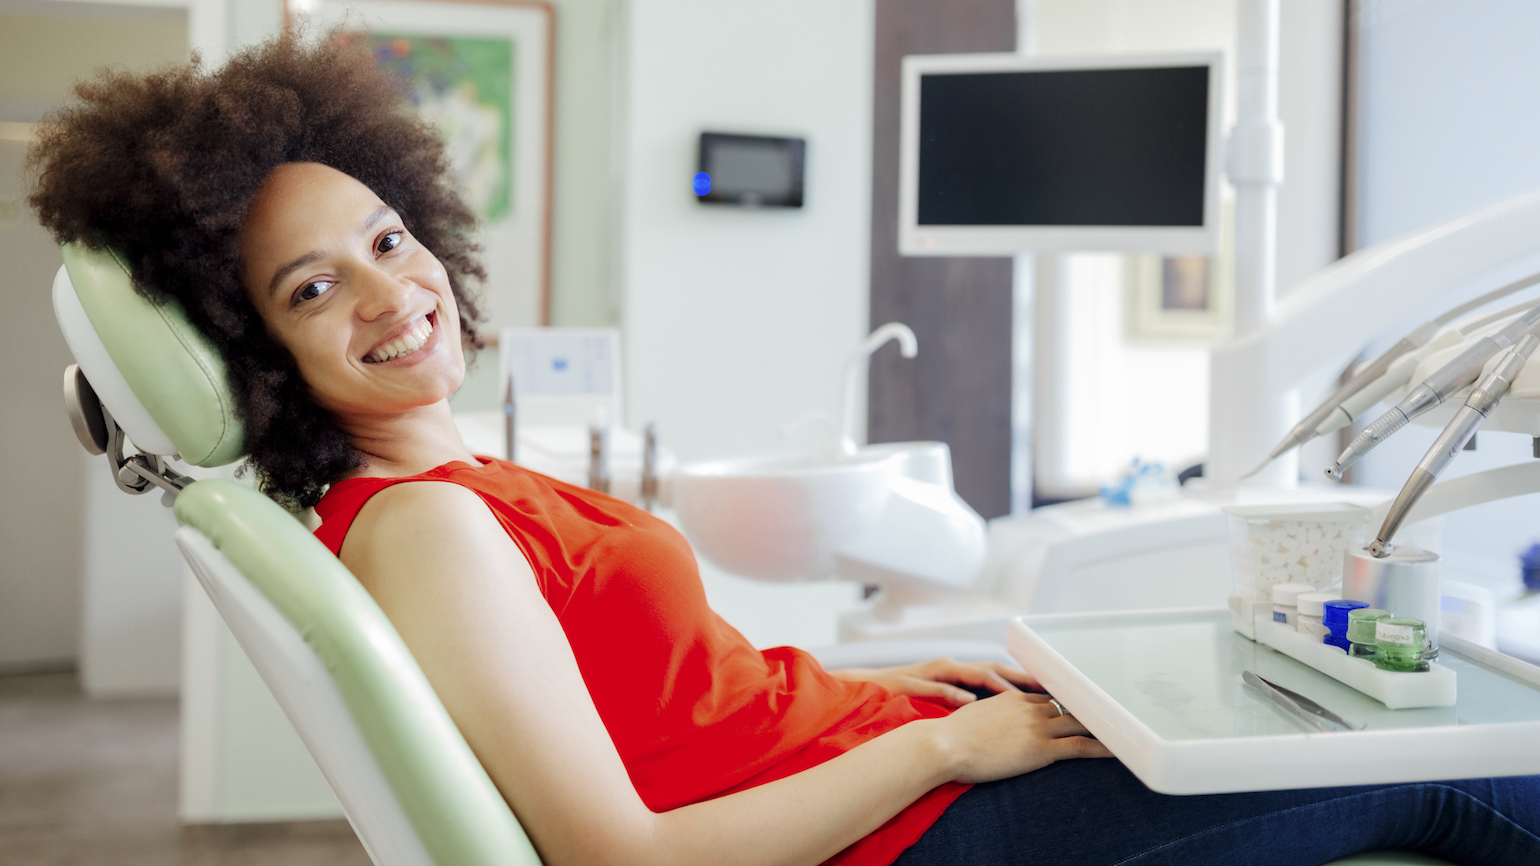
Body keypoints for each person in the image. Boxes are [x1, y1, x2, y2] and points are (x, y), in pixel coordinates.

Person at [29, 33, 1540, 866]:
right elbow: (617, 854)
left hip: (893, 766)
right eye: (314, 288)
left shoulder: (457, 477)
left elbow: (692, 701)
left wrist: (899, 691)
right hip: (913, 832)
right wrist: (940, 743)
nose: (389, 288)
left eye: (385, 235)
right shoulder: (421, 526)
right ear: (259, 357)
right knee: (1462, 782)